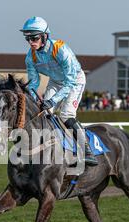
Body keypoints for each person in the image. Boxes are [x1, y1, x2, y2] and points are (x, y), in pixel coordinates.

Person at [20, 16, 98, 166]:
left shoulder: (60, 49)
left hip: (74, 80)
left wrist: (52, 100)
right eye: (27, 38)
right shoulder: (31, 57)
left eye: (34, 38)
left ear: (45, 36)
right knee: (43, 114)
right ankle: (51, 149)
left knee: (66, 115)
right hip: (56, 82)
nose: (31, 42)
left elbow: (69, 82)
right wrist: (29, 99)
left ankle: (88, 152)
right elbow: (33, 83)